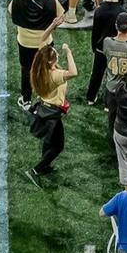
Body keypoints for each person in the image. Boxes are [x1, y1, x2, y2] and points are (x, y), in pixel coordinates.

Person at [27, 41, 78, 176]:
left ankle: (45, 166)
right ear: (50, 62)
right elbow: (73, 72)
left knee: (49, 141)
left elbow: (42, 42)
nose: (57, 56)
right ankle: (36, 170)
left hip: (44, 108)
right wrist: (68, 52)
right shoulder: (54, 74)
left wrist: (53, 26)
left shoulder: (38, 68)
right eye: (55, 56)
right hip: (52, 114)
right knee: (58, 146)